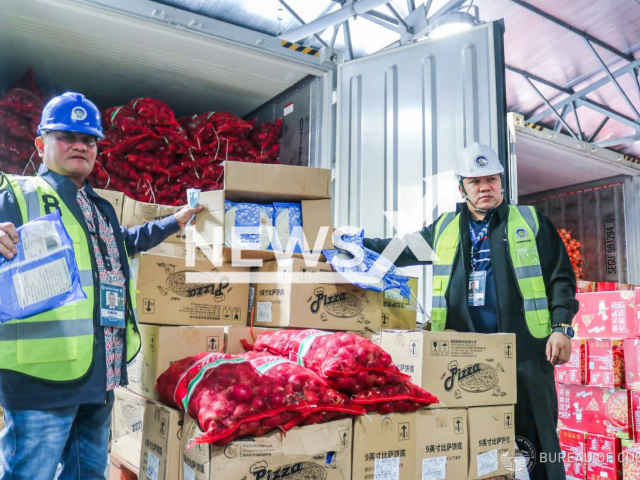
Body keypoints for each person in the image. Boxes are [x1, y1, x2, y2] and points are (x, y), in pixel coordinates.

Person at [0, 92, 204, 479]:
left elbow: (124, 242)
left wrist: (175, 220)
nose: (80, 145)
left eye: (89, 139)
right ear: (41, 145)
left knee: (90, 474)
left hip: (100, 375)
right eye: (67, 136)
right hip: (42, 381)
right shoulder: (18, 195)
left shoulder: (98, 207)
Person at [364, 142, 578, 480]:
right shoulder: (445, 227)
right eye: (475, 181)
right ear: (461, 187)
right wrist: (351, 242)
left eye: (491, 179)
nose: (485, 188)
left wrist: (561, 327)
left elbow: (561, 278)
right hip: (464, 355)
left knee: (539, 440)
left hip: (527, 351)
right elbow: (398, 249)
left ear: (502, 182)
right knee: (478, 442)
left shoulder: (531, 221)